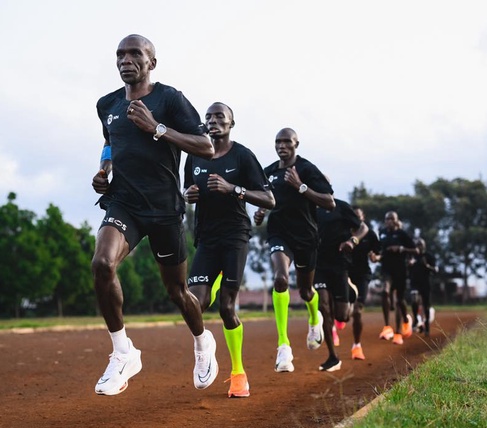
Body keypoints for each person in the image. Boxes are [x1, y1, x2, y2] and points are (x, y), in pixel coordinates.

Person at [91, 34, 218, 396]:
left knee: (177, 292)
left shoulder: (170, 99)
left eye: (135, 54)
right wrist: (105, 169)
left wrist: (157, 128)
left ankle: (202, 342)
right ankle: (123, 352)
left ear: (151, 63)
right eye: (120, 54)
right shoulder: (107, 104)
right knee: (102, 263)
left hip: (163, 209)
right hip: (124, 203)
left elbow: (206, 146)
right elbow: (109, 140)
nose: (125, 60)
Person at [183, 102, 275, 397]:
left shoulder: (243, 156)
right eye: (208, 117)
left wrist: (234, 189)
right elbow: (186, 191)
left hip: (235, 237)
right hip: (207, 239)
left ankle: (238, 373)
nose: (212, 120)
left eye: (219, 116)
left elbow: (269, 199)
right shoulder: (194, 156)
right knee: (193, 303)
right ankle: (205, 347)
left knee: (226, 307)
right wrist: (188, 195)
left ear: (231, 123)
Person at [253, 128, 335, 372]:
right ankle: (283, 346)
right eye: (278, 141)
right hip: (279, 233)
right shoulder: (268, 172)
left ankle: (314, 319)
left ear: (296, 143)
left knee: (306, 291)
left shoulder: (307, 169)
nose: (282, 145)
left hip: (306, 238)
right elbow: (262, 197)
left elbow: (329, 202)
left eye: (287, 141)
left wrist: (301, 187)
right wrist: (260, 212)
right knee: (280, 279)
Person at [315, 198, 368, 371]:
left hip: (339, 264)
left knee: (342, 316)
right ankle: (332, 356)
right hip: (319, 264)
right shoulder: (310, 207)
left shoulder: (341, 206)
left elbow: (363, 228)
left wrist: (352, 241)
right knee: (323, 307)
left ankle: (350, 290)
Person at [343, 206, 381, 360]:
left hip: (362, 275)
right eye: (353, 216)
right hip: (345, 274)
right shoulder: (343, 232)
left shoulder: (370, 234)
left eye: (358, 216)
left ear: (363, 218)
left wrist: (375, 258)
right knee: (344, 314)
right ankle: (340, 319)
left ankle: (357, 346)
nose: (356, 219)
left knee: (358, 311)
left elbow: (378, 253)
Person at [377, 211, 419, 345]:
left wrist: (401, 248)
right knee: (385, 292)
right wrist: (376, 257)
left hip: (400, 270)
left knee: (399, 301)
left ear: (396, 221)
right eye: (387, 219)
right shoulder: (382, 233)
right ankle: (387, 327)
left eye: (391, 219)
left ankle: (401, 328)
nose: (389, 221)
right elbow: (380, 251)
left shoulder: (402, 234)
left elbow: (416, 250)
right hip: (386, 270)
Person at [409, 238, 438, 336]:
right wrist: (409, 264)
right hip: (414, 283)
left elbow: (435, 270)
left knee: (426, 306)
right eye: (417, 245)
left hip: (425, 283)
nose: (419, 246)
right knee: (414, 298)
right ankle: (416, 320)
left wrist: (427, 266)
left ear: (424, 246)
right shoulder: (412, 256)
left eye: (420, 244)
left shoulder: (429, 256)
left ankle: (427, 327)